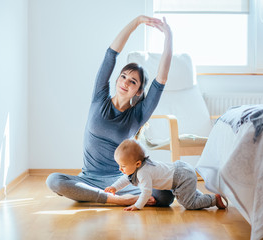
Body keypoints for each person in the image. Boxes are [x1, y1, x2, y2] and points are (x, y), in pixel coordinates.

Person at [46, 15, 174, 206]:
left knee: (166, 195)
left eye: (133, 81)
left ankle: (105, 196)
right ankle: (116, 200)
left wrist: (168, 38)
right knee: (54, 181)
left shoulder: (138, 114)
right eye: (123, 76)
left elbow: (161, 80)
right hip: (89, 178)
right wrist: (137, 22)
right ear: (117, 79)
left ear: (138, 90)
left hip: (121, 181)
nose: (125, 82)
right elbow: (111, 54)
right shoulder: (99, 97)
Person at [105, 139, 229, 211]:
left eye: (123, 166)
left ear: (137, 163)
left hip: (181, 178)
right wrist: (115, 187)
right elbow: (125, 179)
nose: (120, 169)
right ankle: (196, 196)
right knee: (181, 195)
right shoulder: (139, 167)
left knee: (188, 204)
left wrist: (137, 206)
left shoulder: (143, 173)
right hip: (180, 170)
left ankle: (213, 200)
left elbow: (146, 192)